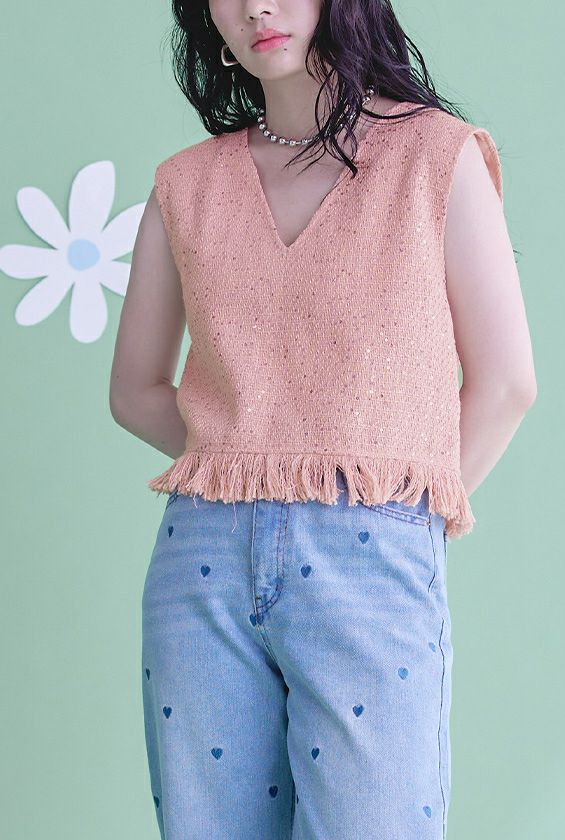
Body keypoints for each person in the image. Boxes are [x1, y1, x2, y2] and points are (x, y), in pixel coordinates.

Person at [109, 1, 536, 837]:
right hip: (202, 561)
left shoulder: (435, 155)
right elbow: (134, 391)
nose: (256, 7)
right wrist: (252, 451)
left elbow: (505, 385)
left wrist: (397, 520)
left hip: (373, 550)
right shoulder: (185, 185)